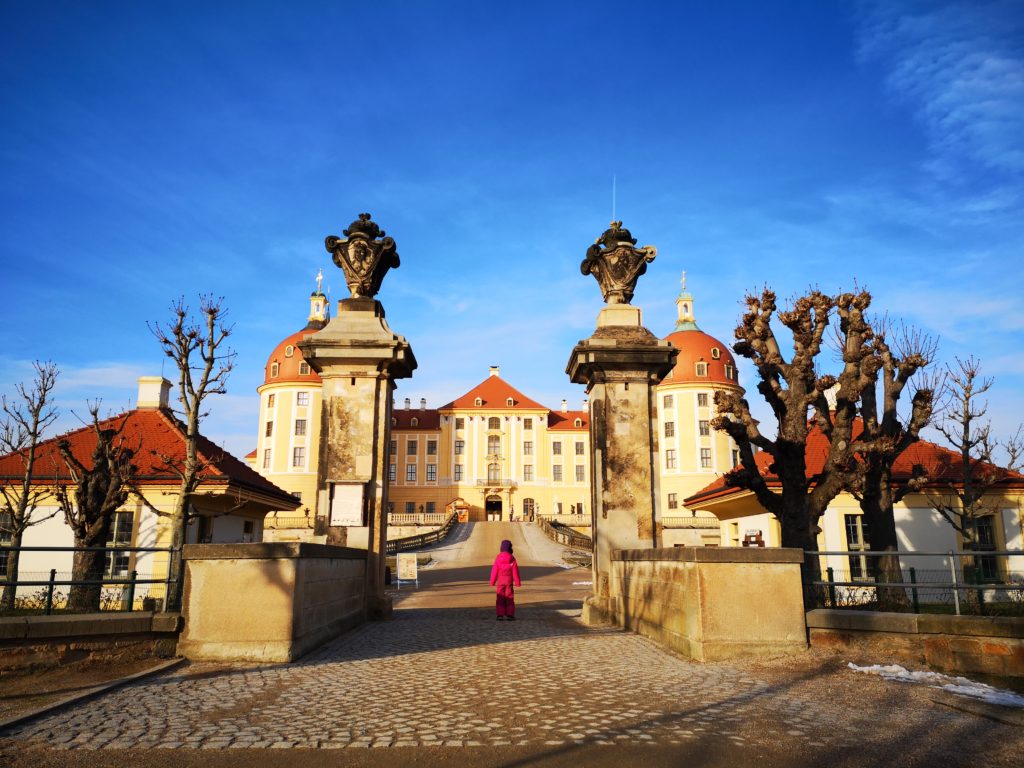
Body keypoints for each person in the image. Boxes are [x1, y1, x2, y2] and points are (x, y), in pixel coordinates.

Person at [489, 539, 522, 621]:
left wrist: (492, 582)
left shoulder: (498, 558)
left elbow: (494, 570)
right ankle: (510, 615)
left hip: (500, 582)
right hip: (509, 582)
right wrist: (517, 582)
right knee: (509, 598)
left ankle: (500, 615)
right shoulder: (512, 559)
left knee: (500, 598)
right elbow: (515, 571)